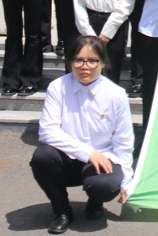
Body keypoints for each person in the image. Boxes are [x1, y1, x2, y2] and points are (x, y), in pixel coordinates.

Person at [31, 35, 134, 234]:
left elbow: (124, 141)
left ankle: (95, 202)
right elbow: (47, 131)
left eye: (92, 60)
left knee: (105, 186)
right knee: (42, 156)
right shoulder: (57, 88)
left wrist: (127, 181)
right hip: (67, 158)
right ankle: (62, 211)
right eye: (78, 60)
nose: (84, 66)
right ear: (71, 62)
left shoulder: (116, 94)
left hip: (103, 159)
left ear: (102, 63)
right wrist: (88, 153)